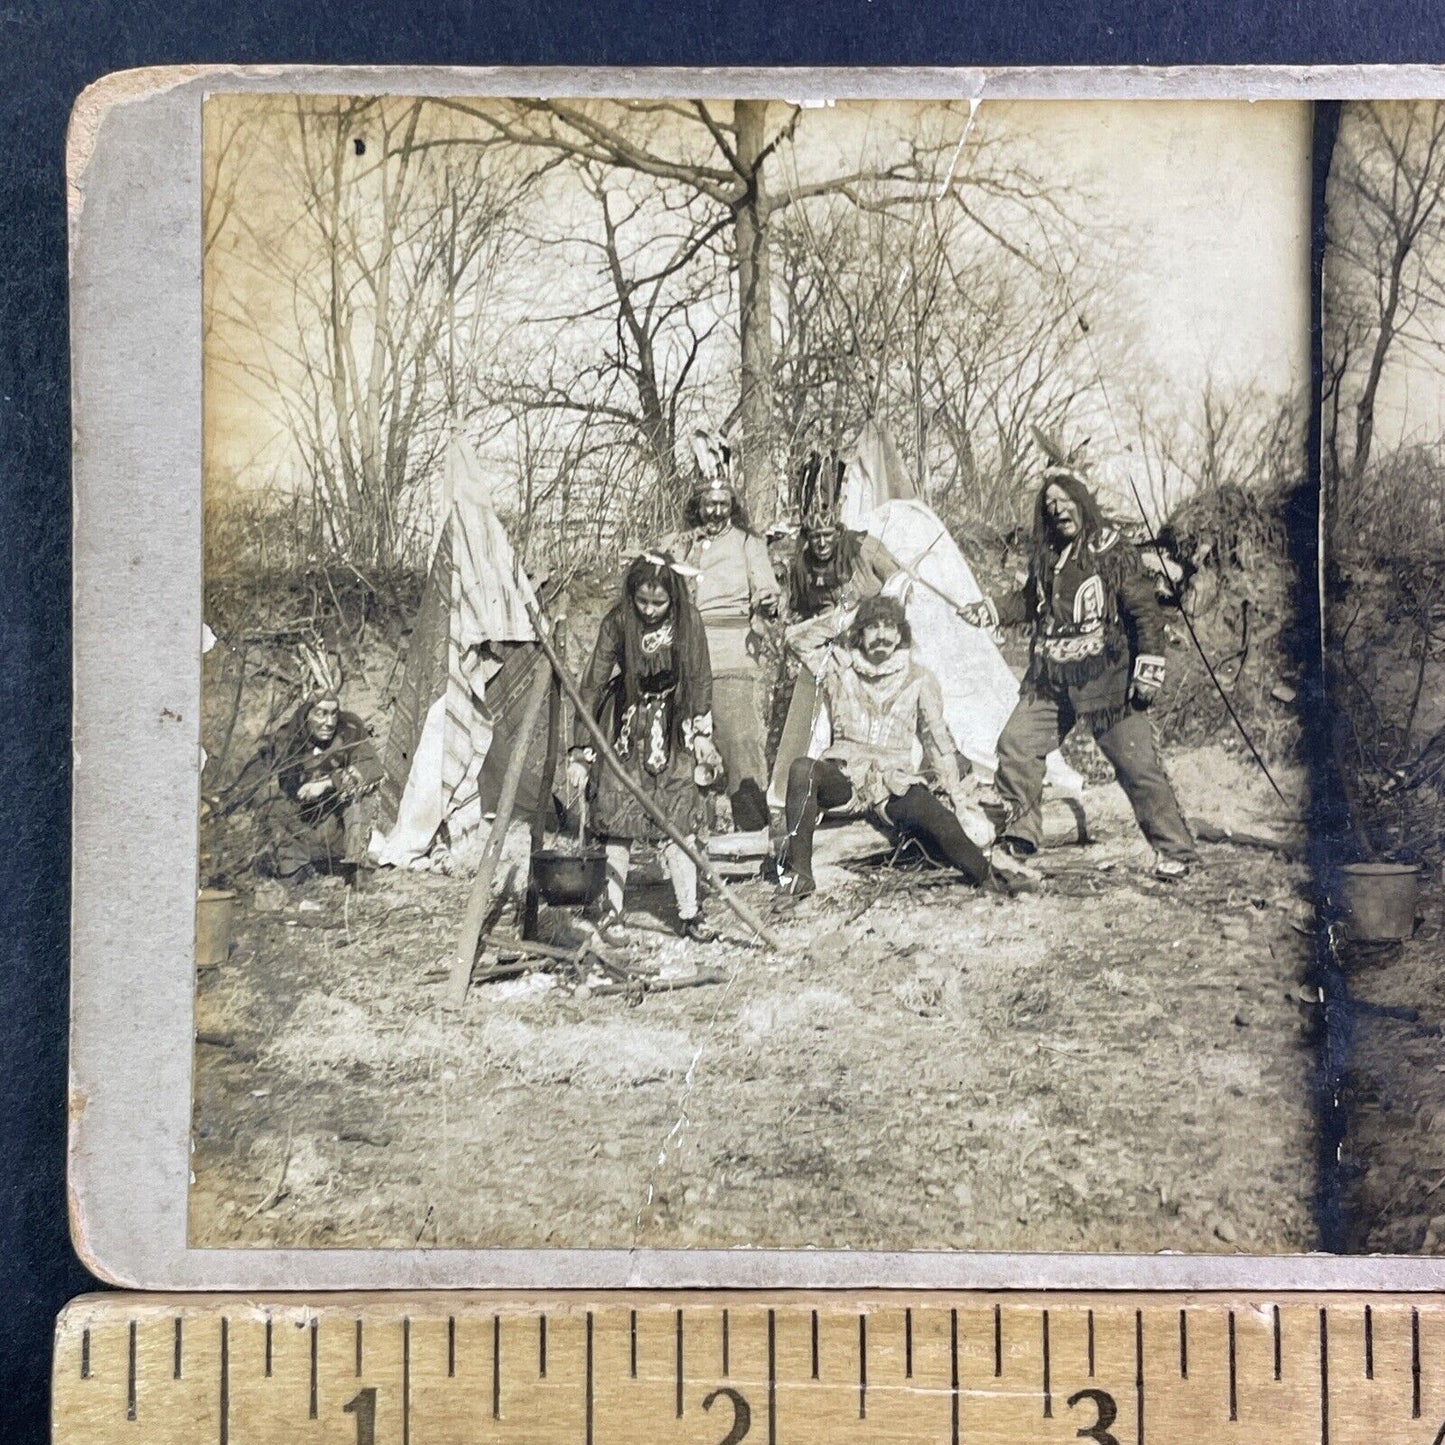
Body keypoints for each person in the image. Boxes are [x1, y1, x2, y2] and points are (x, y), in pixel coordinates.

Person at [959, 465, 1198, 880]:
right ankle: (1020, 837)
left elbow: (1144, 611)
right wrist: (990, 610)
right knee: (1017, 743)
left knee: (1136, 766)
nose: (1058, 511)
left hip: (1107, 679)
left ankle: (1175, 850)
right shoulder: (1047, 555)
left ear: (1082, 501)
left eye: (1066, 501)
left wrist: (1147, 668)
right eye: (1050, 505)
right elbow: (1029, 601)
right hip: (1051, 679)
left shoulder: (1111, 549)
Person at [773, 593, 1023, 899]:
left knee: (934, 816)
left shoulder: (919, 678)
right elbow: (795, 640)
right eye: (872, 627)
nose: (881, 635)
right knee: (803, 769)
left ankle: (987, 876)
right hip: (845, 779)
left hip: (895, 783)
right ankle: (800, 877)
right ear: (858, 632)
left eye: (889, 626)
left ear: (900, 633)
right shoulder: (839, 668)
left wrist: (957, 798)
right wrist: (849, 612)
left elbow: (937, 744)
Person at [570, 552, 727, 944]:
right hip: (627, 726)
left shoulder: (688, 621)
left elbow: (700, 675)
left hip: (675, 727)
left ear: (672, 595)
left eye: (659, 602)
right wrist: (579, 750)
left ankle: (690, 913)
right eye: (643, 601)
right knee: (617, 821)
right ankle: (612, 912)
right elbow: (593, 682)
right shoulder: (618, 621)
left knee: (678, 819)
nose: (651, 609)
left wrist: (702, 732)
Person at [656, 432, 780, 832]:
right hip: (681, 656)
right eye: (708, 505)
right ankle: (690, 832)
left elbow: (766, 588)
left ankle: (754, 829)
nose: (715, 512)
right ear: (697, 506)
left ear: (732, 506)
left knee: (738, 740)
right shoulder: (679, 543)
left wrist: (766, 602)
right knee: (683, 743)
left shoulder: (748, 544)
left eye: (723, 505)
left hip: (730, 654)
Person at [222, 663, 383, 885]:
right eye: (321, 714)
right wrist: (220, 807)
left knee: (361, 795)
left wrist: (329, 782)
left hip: (336, 829)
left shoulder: (349, 728)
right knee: (268, 799)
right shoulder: (288, 737)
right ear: (307, 714)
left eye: (334, 713)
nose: (329, 722)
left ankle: (356, 869)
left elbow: (372, 767)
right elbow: (255, 774)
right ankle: (296, 872)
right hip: (300, 827)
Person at [785, 451, 902, 623]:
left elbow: (898, 581)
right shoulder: (802, 566)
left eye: (827, 535)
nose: (822, 543)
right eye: (815, 537)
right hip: (828, 634)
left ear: (837, 532)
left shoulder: (862, 548)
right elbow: (799, 610)